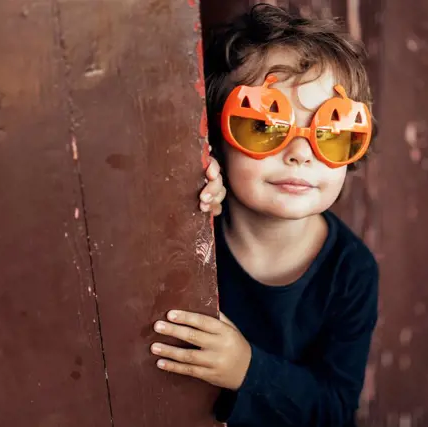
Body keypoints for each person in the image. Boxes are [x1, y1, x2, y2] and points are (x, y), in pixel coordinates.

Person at [153, 4, 379, 426]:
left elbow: (334, 410)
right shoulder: (189, 224)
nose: (300, 154)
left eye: (333, 130)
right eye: (262, 123)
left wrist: (247, 370)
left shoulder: (352, 273)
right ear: (215, 138)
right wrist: (189, 191)